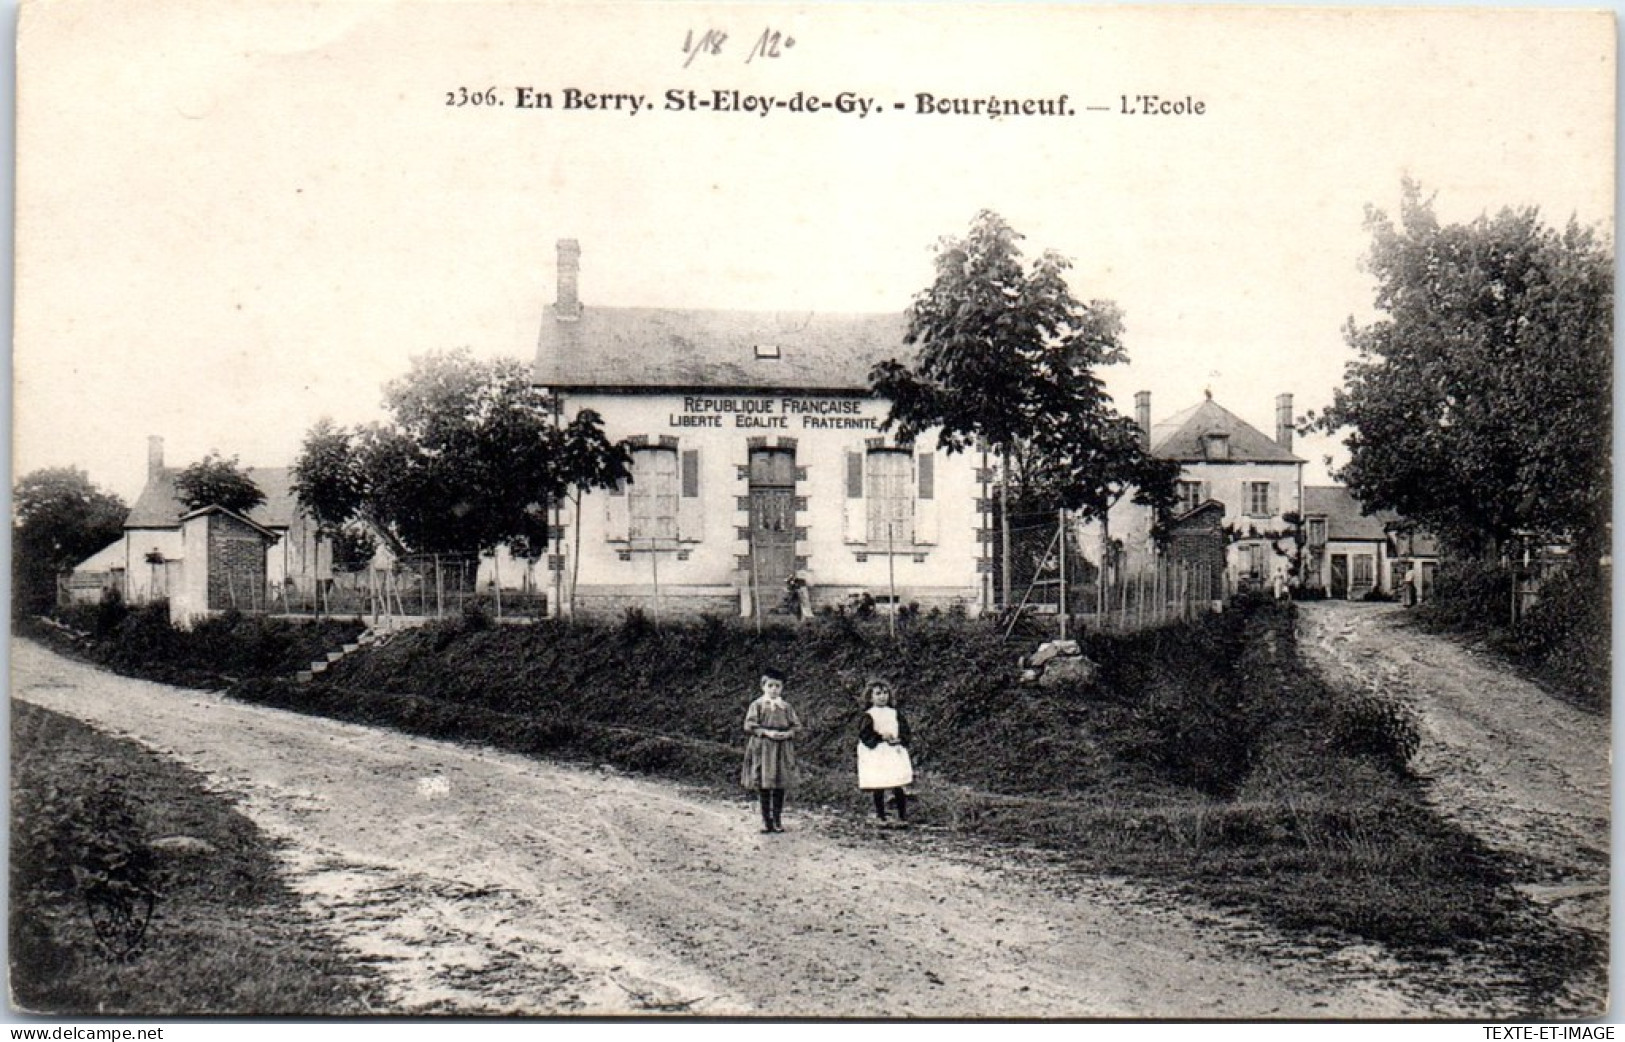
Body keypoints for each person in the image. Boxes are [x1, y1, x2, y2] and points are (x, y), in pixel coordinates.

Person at [741, 667, 800, 833]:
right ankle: (766, 820)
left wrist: (788, 733)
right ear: (763, 686)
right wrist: (767, 732)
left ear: (782, 688)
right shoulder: (758, 705)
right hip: (764, 748)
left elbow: (796, 726)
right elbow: (749, 725)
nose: (774, 689)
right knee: (765, 784)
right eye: (771, 686)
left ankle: (778, 819)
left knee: (780, 783)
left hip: (782, 749)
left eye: (778, 686)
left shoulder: (786, 707)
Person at [857, 677, 914, 825]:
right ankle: (881, 816)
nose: (882, 696)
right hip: (877, 753)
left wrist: (900, 739)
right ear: (870, 697)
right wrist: (881, 737)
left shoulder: (894, 713)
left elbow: (905, 730)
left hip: (893, 751)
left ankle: (902, 816)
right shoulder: (869, 715)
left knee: (898, 783)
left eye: (885, 693)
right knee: (879, 783)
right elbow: (865, 734)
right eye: (878, 693)